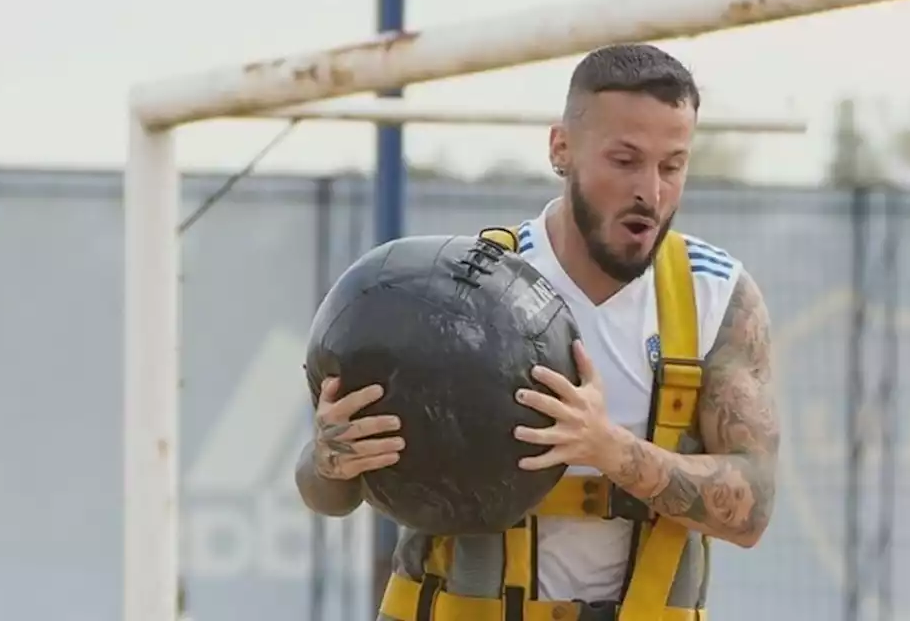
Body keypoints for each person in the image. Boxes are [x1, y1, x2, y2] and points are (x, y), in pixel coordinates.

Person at [295, 43, 779, 620]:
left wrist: (609, 449)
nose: (650, 191)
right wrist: (333, 458)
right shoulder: (461, 287)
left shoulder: (716, 295)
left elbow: (752, 508)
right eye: (624, 161)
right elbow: (326, 493)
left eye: (671, 166)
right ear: (562, 148)